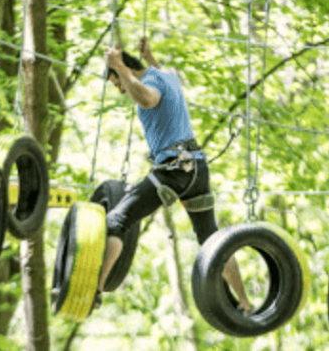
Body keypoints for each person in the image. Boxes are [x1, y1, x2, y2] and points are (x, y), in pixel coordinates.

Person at [97, 36, 253, 314]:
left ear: (126, 72)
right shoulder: (166, 76)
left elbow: (147, 98)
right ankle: (244, 302)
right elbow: (160, 77)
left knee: (117, 221)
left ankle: (95, 290)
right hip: (196, 168)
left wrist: (119, 67)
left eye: (116, 82)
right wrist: (149, 57)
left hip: (173, 170)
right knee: (211, 238)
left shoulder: (150, 84)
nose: (120, 89)